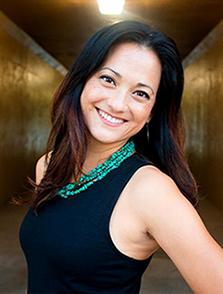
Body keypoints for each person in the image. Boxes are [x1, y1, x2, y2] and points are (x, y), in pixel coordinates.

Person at [19, 20, 223, 294]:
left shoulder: (150, 190)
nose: (118, 104)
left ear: (152, 112)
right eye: (108, 79)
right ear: (83, 79)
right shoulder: (49, 163)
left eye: (140, 93)